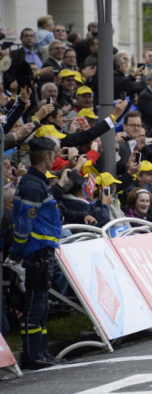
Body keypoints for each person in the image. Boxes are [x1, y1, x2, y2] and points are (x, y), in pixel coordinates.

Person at [9, 137, 63, 369]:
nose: (56, 159)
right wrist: (18, 250)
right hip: (36, 253)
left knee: (42, 305)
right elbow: (24, 224)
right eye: (55, 155)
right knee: (35, 304)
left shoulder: (37, 182)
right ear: (48, 157)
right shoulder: (32, 184)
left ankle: (41, 351)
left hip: (42, 251)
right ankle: (32, 355)